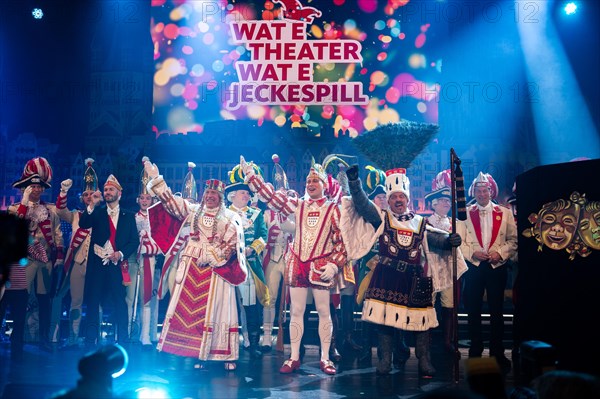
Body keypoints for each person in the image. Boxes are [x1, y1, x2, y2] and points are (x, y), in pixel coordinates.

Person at [340, 165, 462, 377]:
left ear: (407, 199)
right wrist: (354, 182)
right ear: (388, 200)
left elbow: (436, 240)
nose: (398, 200)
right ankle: (385, 361)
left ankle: (424, 361)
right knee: (385, 322)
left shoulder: (419, 222)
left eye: (401, 197)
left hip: (415, 277)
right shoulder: (382, 218)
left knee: (422, 323)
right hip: (387, 274)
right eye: (394, 196)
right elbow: (362, 204)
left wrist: (449, 240)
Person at [240, 155, 347, 375]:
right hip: (298, 262)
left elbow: (342, 243)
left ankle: (325, 358)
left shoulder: (333, 209)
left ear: (324, 185)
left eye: (315, 181)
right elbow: (272, 198)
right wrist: (252, 176)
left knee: (324, 311)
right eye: (308, 181)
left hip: (321, 263)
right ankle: (294, 356)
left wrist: (334, 266)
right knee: (296, 311)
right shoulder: (298, 205)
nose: (310, 184)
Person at [144, 160, 247, 371]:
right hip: (191, 266)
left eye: (214, 194)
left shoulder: (230, 216)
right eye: (207, 193)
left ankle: (221, 353)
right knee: (189, 312)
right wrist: (157, 179)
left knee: (218, 310)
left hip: (216, 270)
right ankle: (195, 351)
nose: (209, 196)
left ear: (220, 197)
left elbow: (232, 242)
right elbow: (170, 202)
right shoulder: (192, 211)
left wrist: (212, 256)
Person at [457, 172, 517, 374]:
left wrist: (499, 254)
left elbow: (513, 241)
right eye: (478, 191)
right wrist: (472, 253)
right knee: (473, 310)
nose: (482, 194)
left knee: (497, 311)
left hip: (496, 267)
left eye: (485, 190)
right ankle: (475, 349)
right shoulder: (464, 213)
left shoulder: (505, 213)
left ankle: (497, 353)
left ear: (491, 191)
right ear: (473, 192)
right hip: (474, 267)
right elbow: (460, 243)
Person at [7, 156, 64, 349]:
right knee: (20, 299)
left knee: (44, 299)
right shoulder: (15, 209)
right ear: (26, 188)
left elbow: (57, 234)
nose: (37, 190)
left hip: (45, 260)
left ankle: (44, 339)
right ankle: (17, 338)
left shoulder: (50, 211)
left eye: (40, 187)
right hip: (25, 261)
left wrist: (59, 257)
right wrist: (24, 203)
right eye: (33, 187)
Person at [79, 175, 140, 347]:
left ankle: (122, 339)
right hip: (97, 267)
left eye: (111, 189)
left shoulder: (129, 216)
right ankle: (91, 339)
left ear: (119, 193)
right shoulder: (97, 212)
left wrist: (120, 254)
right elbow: (84, 224)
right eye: (105, 190)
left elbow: (134, 241)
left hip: (116, 266)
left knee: (119, 302)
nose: (107, 192)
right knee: (93, 301)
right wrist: (92, 203)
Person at [50, 158, 98, 349]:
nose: (88, 197)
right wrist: (63, 192)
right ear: (82, 197)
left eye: (91, 194)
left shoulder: (102, 215)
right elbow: (60, 211)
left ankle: (94, 338)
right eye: (85, 194)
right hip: (77, 262)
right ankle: (73, 336)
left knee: (96, 303)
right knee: (76, 302)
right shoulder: (76, 215)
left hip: (94, 264)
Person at [225, 163, 269, 359]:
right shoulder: (223, 213)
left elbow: (263, 236)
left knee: (251, 305)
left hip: (249, 265)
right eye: (243, 192)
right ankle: (229, 341)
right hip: (226, 266)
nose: (247, 196)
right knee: (228, 304)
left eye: (248, 193)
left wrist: (253, 249)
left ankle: (253, 340)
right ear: (232, 195)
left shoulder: (257, 214)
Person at [424, 169, 468, 355]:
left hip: (450, 270)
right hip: (432, 270)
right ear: (434, 204)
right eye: (441, 201)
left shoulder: (455, 223)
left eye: (447, 201)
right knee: (429, 307)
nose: (445, 203)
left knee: (450, 307)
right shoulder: (425, 222)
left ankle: (447, 342)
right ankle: (427, 343)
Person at [260, 155, 296, 353]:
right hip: (273, 259)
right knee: (270, 298)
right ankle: (267, 336)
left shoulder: (293, 212)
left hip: (290, 260)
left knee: (292, 301)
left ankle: (291, 337)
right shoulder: (266, 215)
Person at [127, 156, 162, 348]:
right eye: (142, 198)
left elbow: (161, 241)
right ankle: (133, 332)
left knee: (148, 296)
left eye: (148, 198)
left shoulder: (157, 219)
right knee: (132, 297)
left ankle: (146, 335)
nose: (145, 201)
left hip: (150, 260)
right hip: (134, 260)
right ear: (138, 199)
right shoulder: (133, 217)